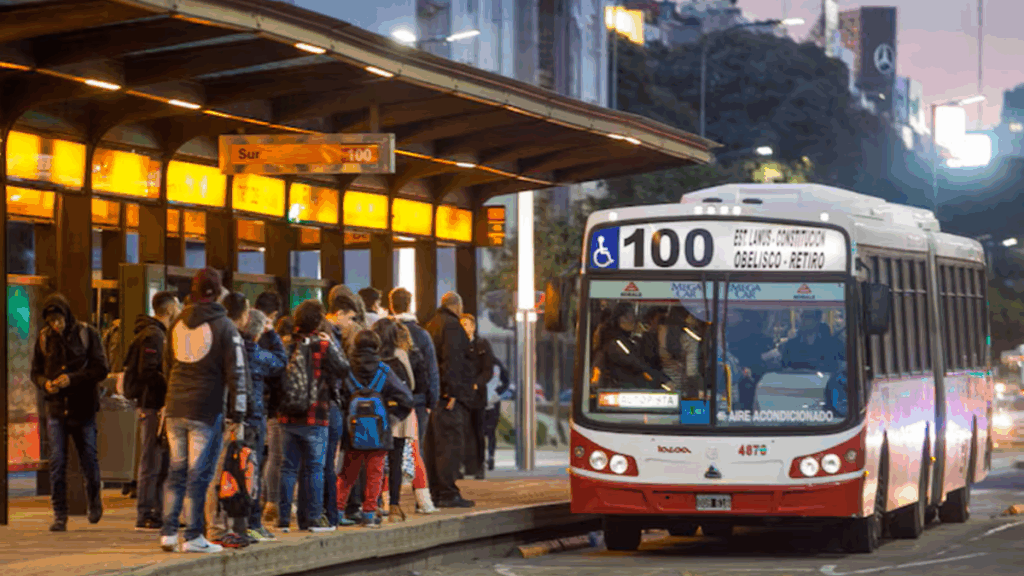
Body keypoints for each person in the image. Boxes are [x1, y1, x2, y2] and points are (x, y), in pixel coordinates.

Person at [160, 268, 247, 554]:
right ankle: (194, 535)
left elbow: (167, 364)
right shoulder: (224, 326)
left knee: (176, 471)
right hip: (205, 407)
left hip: (175, 405)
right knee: (199, 474)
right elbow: (237, 373)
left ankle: (169, 533)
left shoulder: (176, 323)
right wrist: (238, 413)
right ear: (218, 292)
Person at [31, 293, 110, 532]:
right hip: (55, 409)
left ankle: (94, 499)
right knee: (57, 463)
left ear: (67, 316)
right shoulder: (44, 338)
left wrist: (72, 379)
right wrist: (45, 383)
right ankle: (60, 514)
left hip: (83, 407)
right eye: (51, 321)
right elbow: (35, 371)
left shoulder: (87, 334)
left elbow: (101, 369)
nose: (56, 325)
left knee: (89, 460)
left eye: (59, 320)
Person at [277, 299, 350, 533]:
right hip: (315, 415)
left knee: (288, 468)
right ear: (317, 321)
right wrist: (332, 344)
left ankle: (283, 520)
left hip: (287, 415)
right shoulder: (323, 345)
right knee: (315, 468)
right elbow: (343, 369)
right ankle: (314, 518)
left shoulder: (286, 344)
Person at [335, 330, 413, 528]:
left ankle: (337, 510)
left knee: (347, 473)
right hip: (379, 431)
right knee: (375, 473)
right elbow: (407, 399)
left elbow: (337, 395)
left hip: (352, 431)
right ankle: (369, 513)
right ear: (376, 347)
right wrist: (392, 416)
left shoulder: (347, 369)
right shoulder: (384, 371)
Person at [123, 291, 180, 531]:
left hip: (153, 404)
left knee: (158, 458)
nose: (179, 310)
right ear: (168, 310)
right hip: (153, 404)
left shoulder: (155, 333)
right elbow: (149, 371)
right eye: (177, 306)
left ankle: (155, 510)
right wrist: (172, 385)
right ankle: (146, 512)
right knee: (151, 459)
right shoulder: (154, 336)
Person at [373, 318, 434, 520]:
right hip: (399, 414)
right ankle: (395, 506)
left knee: (374, 459)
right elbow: (417, 384)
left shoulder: (371, 357)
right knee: (396, 458)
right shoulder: (403, 355)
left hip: (373, 414)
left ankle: (373, 503)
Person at [422, 292, 475, 508]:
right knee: (449, 445)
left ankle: (435, 490)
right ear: (458, 306)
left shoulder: (431, 325)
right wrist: (451, 393)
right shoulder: (452, 326)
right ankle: (448, 492)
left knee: (434, 446)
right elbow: (453, 360)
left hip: (434, 397)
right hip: (448, 399)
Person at [240, 308, 287, 542]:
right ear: (258, 333)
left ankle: (234, 522)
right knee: (253, 471)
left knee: (230, 471)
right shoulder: (257, 354)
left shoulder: (231, 351)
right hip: (254, 417)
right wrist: (273, 334)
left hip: (230, 418)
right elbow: (281, 361)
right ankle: (253, 523)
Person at [388, 287, 440, 445]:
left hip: (390, 398)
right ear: (410, 305)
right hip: (417, 400)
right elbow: (432, 370)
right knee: (415, 448)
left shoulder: (385, 331)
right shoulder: (422, 334)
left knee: (391, 449)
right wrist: (431, 401)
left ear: (391, 305)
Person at [262, 314, 294, 527]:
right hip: (290, 411)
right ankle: (286, 503)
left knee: (273, 457)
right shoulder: (293, 352)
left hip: (272, 410)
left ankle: (270, 502)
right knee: (289, 461)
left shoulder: (269, 350)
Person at [593, 303, 668, 390]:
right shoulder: (617, 343)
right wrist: (663, 380)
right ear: (622, 318)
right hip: (622, 389)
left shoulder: (627, 339)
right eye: (632, 315)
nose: (635, 320)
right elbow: (636, 362)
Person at [459, 314, 494, 480]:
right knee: (461, 431)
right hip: (461, 394)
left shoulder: (482, 344)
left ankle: (480, 466)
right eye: (461, 324)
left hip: (478, 395)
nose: (464, 327)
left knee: (478, 431)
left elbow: (488, 369)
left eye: (466, 324)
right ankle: (462, 466)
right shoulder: (456, 345)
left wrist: (477, 383)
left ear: (473, 327)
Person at [482, 357, 511, 472]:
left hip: (492, 401)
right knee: (485, 432)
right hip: (483, 401)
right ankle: (485, 458)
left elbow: (506, 381)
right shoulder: (477, 363)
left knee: (489, 431)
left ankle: (490, 457)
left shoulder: (496, 364)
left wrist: (497, 392)